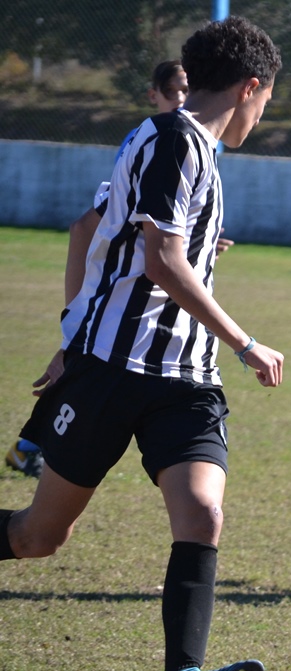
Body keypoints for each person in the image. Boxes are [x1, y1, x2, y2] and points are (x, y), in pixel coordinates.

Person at [0, 17, 283, 671]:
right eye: (267, 99)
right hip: (112, 371)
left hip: (185, 380)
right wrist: (245, 340)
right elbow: (157, 260)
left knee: (204, 515)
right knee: (38, 537)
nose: (262, 113)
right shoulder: (170, 141)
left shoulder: (196, 154)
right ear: (251, 87)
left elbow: (120, 243)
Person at [4, 60, 209, 480]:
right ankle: (28, 447)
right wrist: (76, 323)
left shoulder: (182, 142)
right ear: (154, 94)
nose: (183, 100)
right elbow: (86, 227)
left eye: (190, 91)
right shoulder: (161, 142)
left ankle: (27, 447)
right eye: (176, 91)